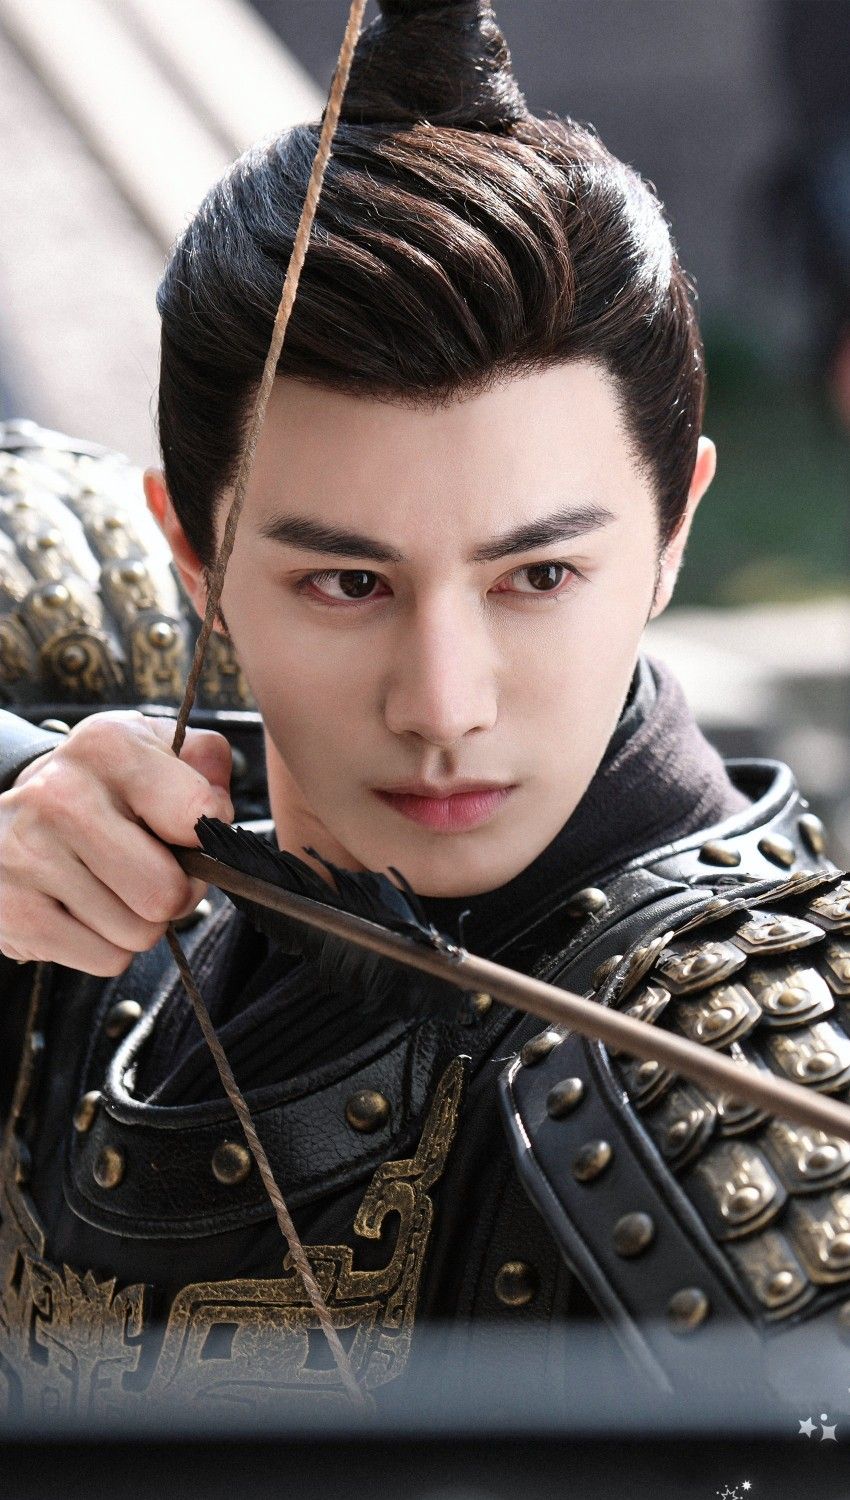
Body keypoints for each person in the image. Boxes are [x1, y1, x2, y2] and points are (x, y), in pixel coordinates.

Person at [0, 0, 847, 1418]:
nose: (442, 706)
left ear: (673, 534)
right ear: (192, 555)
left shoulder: (750, 1051)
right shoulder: (86, 756)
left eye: (539, 576)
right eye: (347, 582)